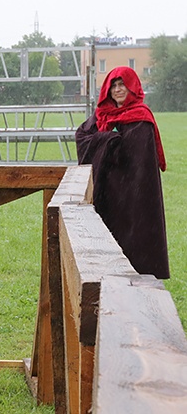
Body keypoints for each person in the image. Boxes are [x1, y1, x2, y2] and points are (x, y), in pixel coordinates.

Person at [75, 66, 169, 279]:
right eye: (114, 85)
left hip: (133, 193)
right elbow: (82, 136)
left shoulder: (141, 118)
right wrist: (107, 139)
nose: (118, 90)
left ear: (132, 87)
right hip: (106, 189)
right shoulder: (101, 115)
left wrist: (105, 142)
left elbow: (134, 158)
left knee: (134, 237)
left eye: (122, 85)